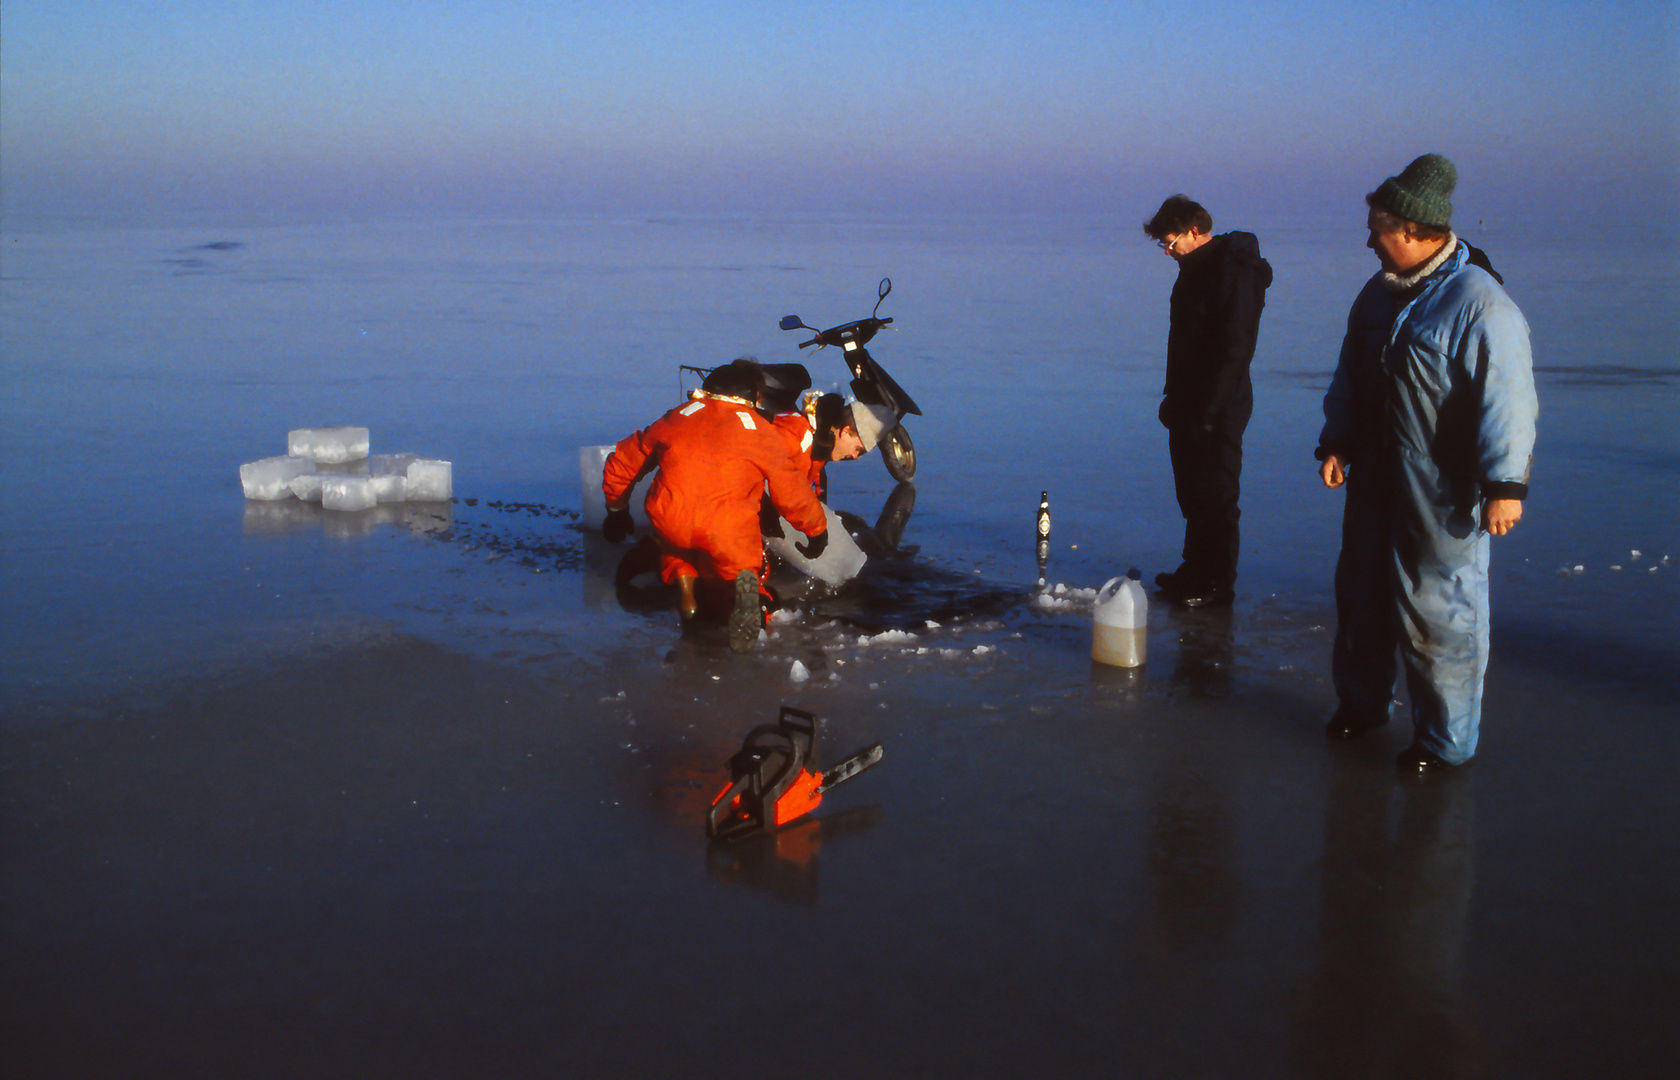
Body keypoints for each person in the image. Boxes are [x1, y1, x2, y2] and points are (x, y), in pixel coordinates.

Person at [1316, 153, 1537, 774]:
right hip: (1376, 476)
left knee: (1440, 611)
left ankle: (1446, 743)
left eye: (1377, 229)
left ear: (1412, 232)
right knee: (1360, 596)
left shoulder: (1480, 304)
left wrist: (1505, 485)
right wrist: (1337, 441)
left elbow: (1509, 400)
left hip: (1443, 490)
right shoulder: (1376, 295)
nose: (1368, 239)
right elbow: (1351, 377)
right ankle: (1362, 705)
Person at [601, 362, 829, 652]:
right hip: (726, 527)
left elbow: (624, 460)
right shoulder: (761, 430)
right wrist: (816, 529)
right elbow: (791, 492)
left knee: (676, 549)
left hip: (670, 515)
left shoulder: (678, 416)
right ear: (751, 395)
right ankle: (747, 599)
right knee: (737, 570)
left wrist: (616, 510)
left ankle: (686, 587)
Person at [1142, 195, 1273, 607]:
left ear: (1196, 231)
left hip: (1221, 403)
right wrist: (1175, 398)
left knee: (1216, 493)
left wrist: (1211, 410)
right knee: (1191, 489)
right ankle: (1194, 568)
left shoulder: (1234, 268)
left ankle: (1217, 582)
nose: (1168, 251)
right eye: (1162, 245)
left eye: (1171, 242)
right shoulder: (1193, 268)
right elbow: (1186, 341)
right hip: (1188, 399)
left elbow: (1236, 345)